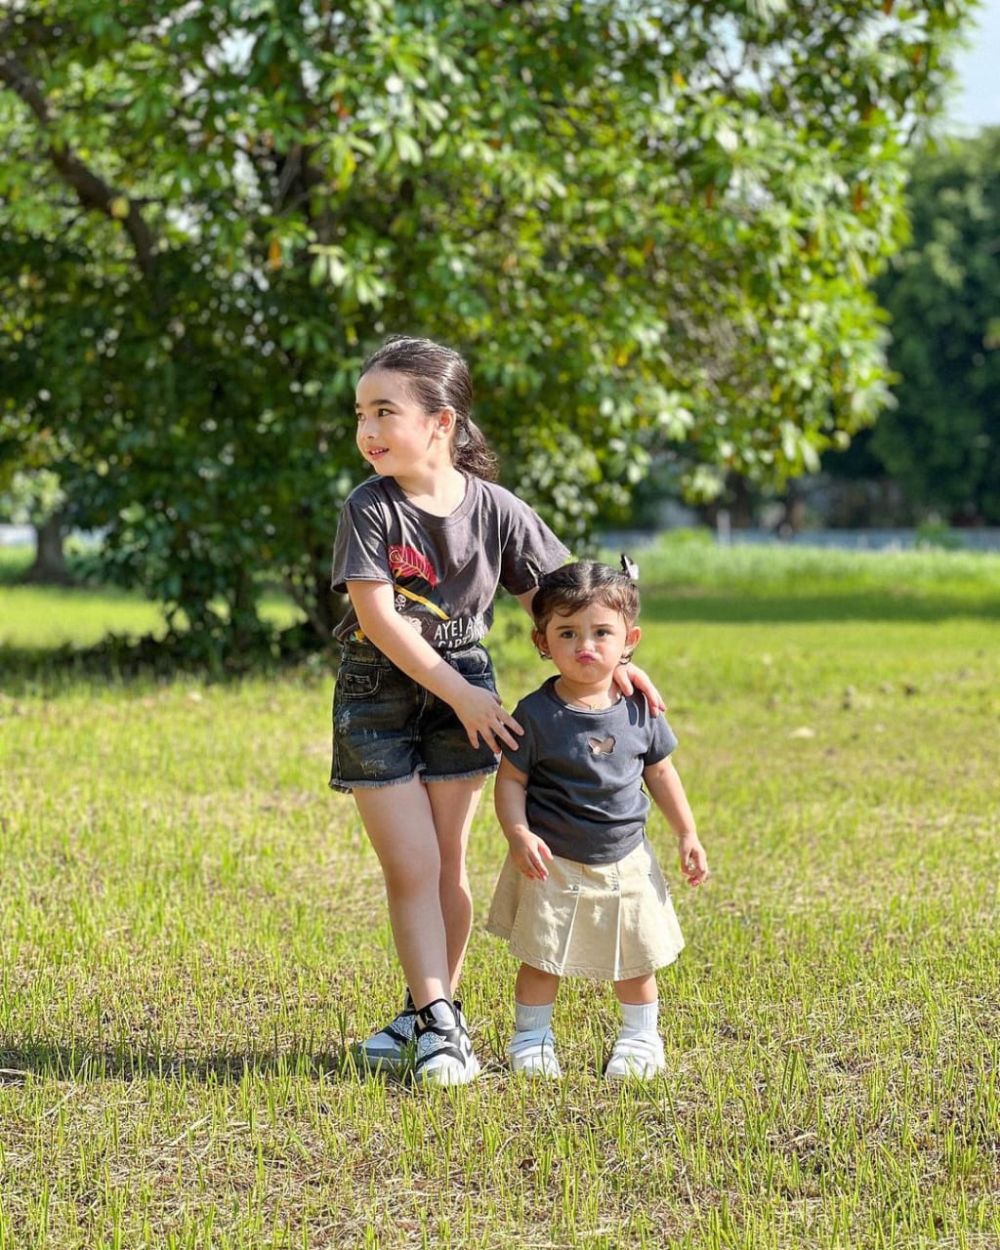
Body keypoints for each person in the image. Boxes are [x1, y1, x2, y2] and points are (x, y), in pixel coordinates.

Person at [330, 336, 663, 1086]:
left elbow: (571, 605)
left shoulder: (499, 511)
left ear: (441, 423)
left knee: (447, 860)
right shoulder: (368, 508)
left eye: (386, 412)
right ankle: (442, 1025)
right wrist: (463, 694)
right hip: (379, 697)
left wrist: (625, 669)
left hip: (466, 697)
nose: (369, 430)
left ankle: (429, 1015)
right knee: (410, 865)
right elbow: (380, 622)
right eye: (361, 414)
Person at [486, 559, 709, 1079]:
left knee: (636, 959)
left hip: (625, 857)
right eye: (568, 633)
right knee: (542, 956)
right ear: (542, 641)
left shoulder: (639, 710)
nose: (585, 645)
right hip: (552, 860)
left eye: (601, 632)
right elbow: (511, 781)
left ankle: (639, 1037)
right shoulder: (536, 714)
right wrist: (517, 833)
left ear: (629, 638)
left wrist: (687, 833)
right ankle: (533, 1038)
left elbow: (661, 774)